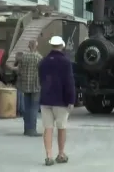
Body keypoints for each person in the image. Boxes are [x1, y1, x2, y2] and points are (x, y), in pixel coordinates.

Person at [38, 36, 75, 166]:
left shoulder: (43, 61)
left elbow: (41, 80)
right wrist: (71, 100)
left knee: (48, 128)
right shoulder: (66, 62)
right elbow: (69, 82)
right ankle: (61, 154)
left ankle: (49, 156)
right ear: (62, 46)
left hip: (46, 99)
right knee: (61, 128)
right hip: (61, 100)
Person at [17, 40, 43, 136]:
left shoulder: (24, 57)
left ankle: (26, 129)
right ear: (36, 46)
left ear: (29, 46)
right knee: (34, 108)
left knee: (27, 108)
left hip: (25, 86)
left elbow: (19, 71)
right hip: (36, 86)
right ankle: (32, 130)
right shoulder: (39, 58)